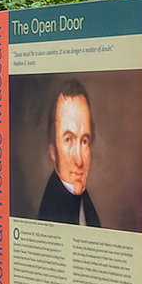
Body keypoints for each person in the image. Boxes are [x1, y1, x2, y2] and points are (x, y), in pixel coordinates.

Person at [36, 79, 101, 226]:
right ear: (53, 151)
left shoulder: (86, 204)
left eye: (84, 141)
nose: (79, 160)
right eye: (68, 140)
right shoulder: (51, 212)